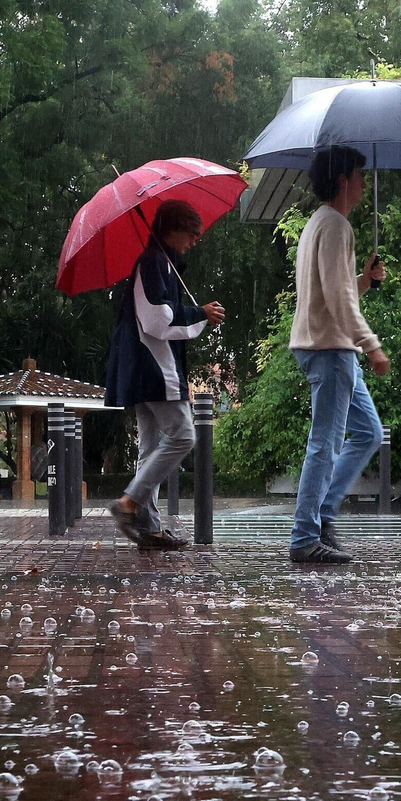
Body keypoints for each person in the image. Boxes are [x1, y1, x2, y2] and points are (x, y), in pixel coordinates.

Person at [288, 145, 389, 564]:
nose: (365, 184)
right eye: (360, 176)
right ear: (344, 179)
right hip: (331, 350)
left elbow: (337, 291)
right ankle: (304, 537)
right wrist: (373, 345)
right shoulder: (334, 226)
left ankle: (322, 516)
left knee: (368, 432)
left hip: (328, 346)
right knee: (325, 444)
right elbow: (338, 302)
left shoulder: (322, 223)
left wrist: (365, 279)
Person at [104, 199, 225, 549]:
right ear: (173, 230)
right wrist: (197, 312)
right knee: (184, 436)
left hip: (143, 367)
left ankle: (149, 526)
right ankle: (129, 502)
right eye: (192, 233)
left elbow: (162, 313)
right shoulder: (154, 262)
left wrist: (198, 313)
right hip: (155, 366)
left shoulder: (162, 263)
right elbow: (158, 318)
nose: (195, 239)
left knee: (151, 446)